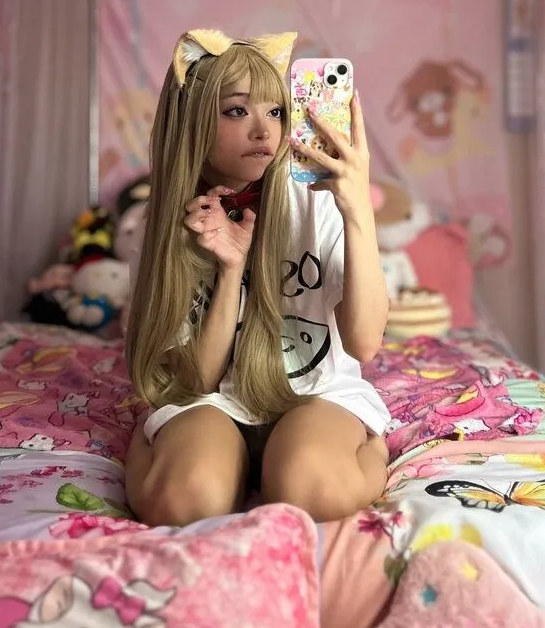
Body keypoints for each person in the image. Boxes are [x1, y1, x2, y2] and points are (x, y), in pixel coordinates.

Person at [124, 29, 391, 526]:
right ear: (192, 118)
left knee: (312, 489)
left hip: (315, 394)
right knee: (185, 501)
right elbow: (200, 378)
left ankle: (371, 446)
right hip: (209, 401)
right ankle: (164, 449)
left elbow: (365, 342)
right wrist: (231, 269)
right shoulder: (167, 224)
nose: (263, 131)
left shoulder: (317, 199)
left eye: (275, 112)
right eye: (236, 110)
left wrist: (357, 209)